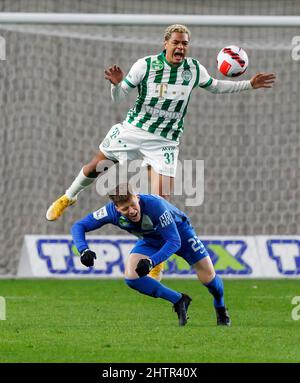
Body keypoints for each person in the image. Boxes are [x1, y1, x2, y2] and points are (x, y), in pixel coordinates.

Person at [47, 23, 275, 278]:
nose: (180, 47)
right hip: (134, 131)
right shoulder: (145, 65)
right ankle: (68, 197)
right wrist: (116, 85)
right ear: (165, 43)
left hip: (164, 141)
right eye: (176, 42)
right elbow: (119, 97)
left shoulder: (193, 70)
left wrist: (249, 84)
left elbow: (215, 86)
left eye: (185, 43)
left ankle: (156, 259)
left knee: (161, 200)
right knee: (95, 167)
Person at [71, 184, 231, 327]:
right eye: (125, 209)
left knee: (208, 279)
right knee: (132, 277)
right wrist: (83, 249)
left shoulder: (155, 205)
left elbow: (174, 241)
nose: (132, 211)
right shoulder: (110, 212)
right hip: (151, 239)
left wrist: (151, 261)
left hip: (181, 234)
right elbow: (79, 225)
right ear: (116, 208)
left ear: (137, 197)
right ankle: (179, 299)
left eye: (133, 204)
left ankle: (220, 306)